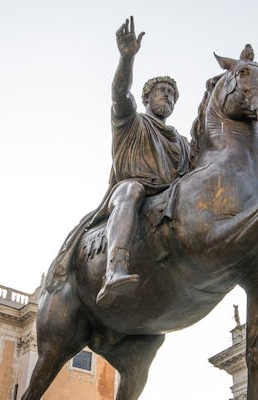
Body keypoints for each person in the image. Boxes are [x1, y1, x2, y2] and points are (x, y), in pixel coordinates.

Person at [93, 16, 191, 306]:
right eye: (164, 91)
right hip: (132, 193)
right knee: (130, 190)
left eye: (173, 95)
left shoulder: (182, 143)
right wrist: (127, 59)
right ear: (148, 97)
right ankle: (114, 269)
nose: (170, 98)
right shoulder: (130, 121)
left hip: (169, 198)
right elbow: (120, 93)